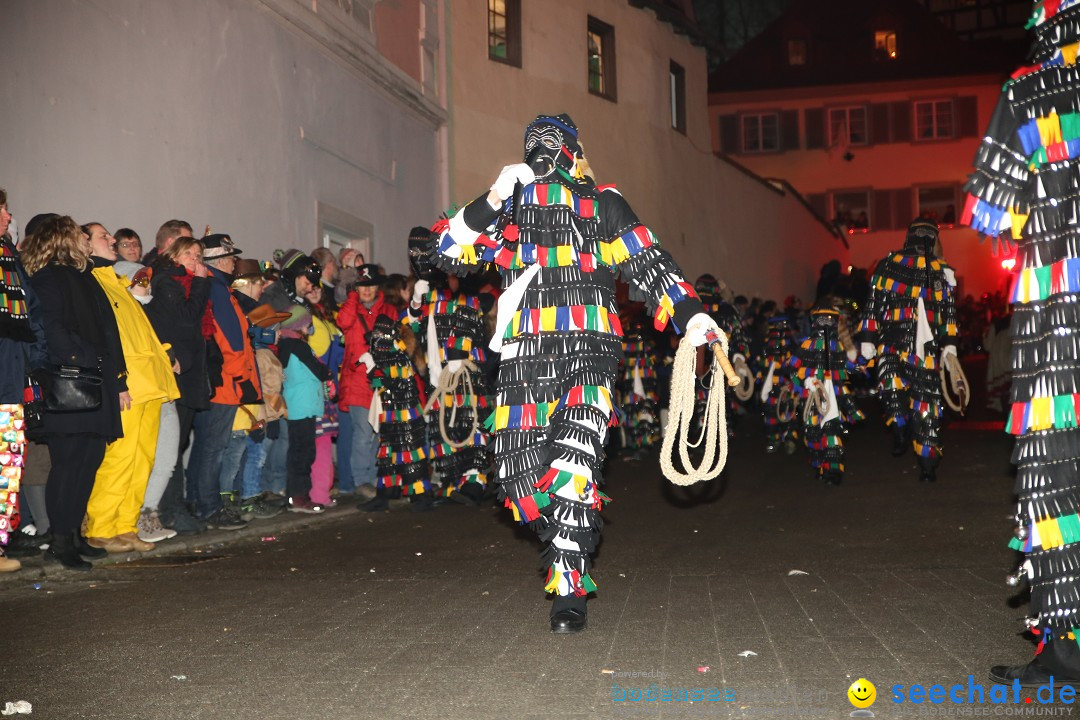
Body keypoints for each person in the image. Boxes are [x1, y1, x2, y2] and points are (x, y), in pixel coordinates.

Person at [428, 113, 719, 632]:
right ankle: (568, 524)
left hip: (588, 354)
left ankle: (569, 591)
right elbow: (446, 250)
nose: (542, 151)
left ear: (572, 150)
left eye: (552, 142)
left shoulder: (603, 204)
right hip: (522, 360)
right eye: (532, 142)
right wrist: (493, 197)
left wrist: (692, 316)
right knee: (518, 479)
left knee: (574, 469)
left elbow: (650, 264)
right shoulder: (510, 207)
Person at [961, 0, 1080, 684]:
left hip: (1057, 320)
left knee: (1055, 480)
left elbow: (992, 213)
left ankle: (1065, 648)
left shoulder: (1030, 89)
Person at [22, 216, 125, 570]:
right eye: (78, 234)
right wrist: (83, 358)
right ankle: (60, 540)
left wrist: (115, 373)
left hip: (94, 380)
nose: (85, 238)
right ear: (63, 239)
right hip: (70, 382)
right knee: (69, 463)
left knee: (88, 460)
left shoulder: (83, 276)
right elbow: (51, 328)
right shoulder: (49, 278)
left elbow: (108, 329)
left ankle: (75, 533)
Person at [82, 223, 180, 553]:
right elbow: (107, 339)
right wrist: (117, 379)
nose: (111, 240)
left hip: (150, 380)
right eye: (103, 237)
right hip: (130, 383)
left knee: (143, 459)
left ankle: (125, 525)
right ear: (85, 244)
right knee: (120, 458)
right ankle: (101, 525)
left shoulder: (116, 279)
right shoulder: (93, 281)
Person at [857, 218, 958, 483]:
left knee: (927, 408)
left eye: (929, 234)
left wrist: (949, 346)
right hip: (892, 339)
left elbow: (948, 312)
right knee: (889, 385)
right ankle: (899, 426)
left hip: (926, 349)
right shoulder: (889, 265)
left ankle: (927, 464)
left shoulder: (941, 270)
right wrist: (868, 337)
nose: (924, 238)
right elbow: (874, 302)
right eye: (920, 232)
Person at [406, 227, 493, 507]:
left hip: (463, 367)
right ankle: (452, 482)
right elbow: (415, 329)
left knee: (470, 420)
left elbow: (471, 313)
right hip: (437, 372)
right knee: (445, 425)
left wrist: (459, 349)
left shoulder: (460, 286)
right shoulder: (428, 291)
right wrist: (416, 302)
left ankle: (475, 479)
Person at [187, 234, 259, 529]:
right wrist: (242, 377)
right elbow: (231, 342)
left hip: (216, 380)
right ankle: (209, 507)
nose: (234, 262)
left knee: (205, 446)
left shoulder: (216, 288)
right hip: (225, 383)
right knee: (213, 448)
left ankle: (197, 501)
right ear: (219, 260)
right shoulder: (217, 290)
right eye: (231, 257)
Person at [144, 236, 212, 536]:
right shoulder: (167, 281)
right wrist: (200, 283)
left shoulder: (177, 280)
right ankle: (169, 509)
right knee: (171, 446)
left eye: (199, 255)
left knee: (179, 443)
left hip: (187, 371)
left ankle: (173, 507)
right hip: (175, 372)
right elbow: (185, 319)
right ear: (173, 254)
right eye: (189, 254)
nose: (195, 260)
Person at [0, 190, 46, 573]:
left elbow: (32, 314)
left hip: (12, 376)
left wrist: (35, 361)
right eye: (0, 209)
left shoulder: (9, 258)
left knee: (9, 463)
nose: (8, 214)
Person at [784, 308, 858, 486]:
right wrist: (803, 382)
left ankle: (833, 470)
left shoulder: (839, 346)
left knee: (831, 432)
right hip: (811, 396)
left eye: (829, 320)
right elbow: (791, 368)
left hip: (833, 396)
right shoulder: (806, 346)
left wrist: (857, 364)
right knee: (812, 433)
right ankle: (819, 464)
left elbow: (848, 367)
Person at [277, 305, 329, 513]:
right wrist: (328, 373)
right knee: (304, 452)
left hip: (296, 403)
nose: (310, 329)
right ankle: (299, 497)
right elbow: (319, 371)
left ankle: (293, 495)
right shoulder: (299, 347)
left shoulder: (285, 345)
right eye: (308, 324)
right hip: (303, 404)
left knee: (297, 450)